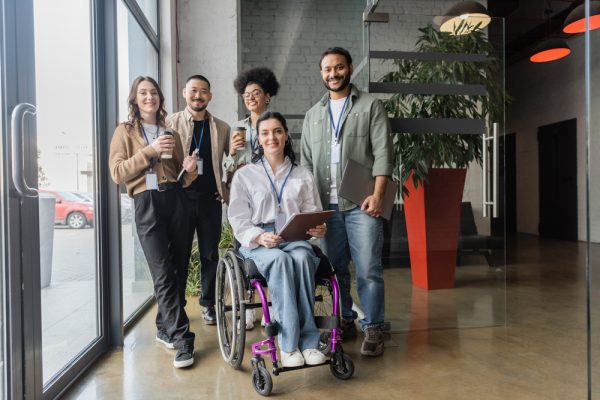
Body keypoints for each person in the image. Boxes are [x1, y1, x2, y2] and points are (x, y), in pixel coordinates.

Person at [300, 47, 393, 357]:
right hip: (326, 209)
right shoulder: (313, 114)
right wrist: (311, 210)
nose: (333, 74)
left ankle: (374, 326)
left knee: (368, 268)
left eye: (338, 67)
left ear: (350, 68)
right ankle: (346, 319)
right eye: (327, 69)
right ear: (321, 73)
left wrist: (379, 195)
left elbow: (383, 153)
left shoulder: (370, 106)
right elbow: (307, 166)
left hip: (362, 204)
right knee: (335, 269)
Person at [109, 76, 198, 368]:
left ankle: (164, 326)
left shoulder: (169, 131)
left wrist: (190, 171)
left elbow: (181, 177)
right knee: (162, 270)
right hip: (146, 201)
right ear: (135, 99)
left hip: (175, 199)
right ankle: (183, 339)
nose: (150, 97)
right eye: (143, 93)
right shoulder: (125, 131)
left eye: (154, 93)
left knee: (179, 267)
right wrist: (149, 150)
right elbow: (118, 172)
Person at [228, 111, 328, 367]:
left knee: (304, 257)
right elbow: (238, 218)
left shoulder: (301, 173)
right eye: (265, 133)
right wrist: (259, 236)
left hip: (293, 236)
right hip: (259, 240)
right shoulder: (245, 175)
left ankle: (309, 342)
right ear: (258, 140)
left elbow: (312, 211)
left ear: (285, 136)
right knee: (280, 261)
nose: (271, 137)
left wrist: (317, 227)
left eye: (277, 131)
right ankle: (288, 343)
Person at [166, 75, 231, 325]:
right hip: (180, 200)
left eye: (204, 91)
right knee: (179, 255)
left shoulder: (222, 128)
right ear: (184, 92)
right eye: (194, 90)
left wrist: (224, 188)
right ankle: (178, 305)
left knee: (209, 255)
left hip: (209, 201)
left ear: (210, 96)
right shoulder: (170, 122)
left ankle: (208, 304)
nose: (198, 95)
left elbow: (235, 161)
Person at [224, 67, 280, 330]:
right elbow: (229, 168)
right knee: (242, 250)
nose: (251, 98)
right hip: (247, 198)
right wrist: (232, 152)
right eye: (246, 95)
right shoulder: (238, 128)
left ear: (267, 96)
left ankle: (273, 302)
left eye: (256, 93)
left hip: (271, 199)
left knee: (274, 248)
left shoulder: (274, 125)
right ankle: (247, 305)